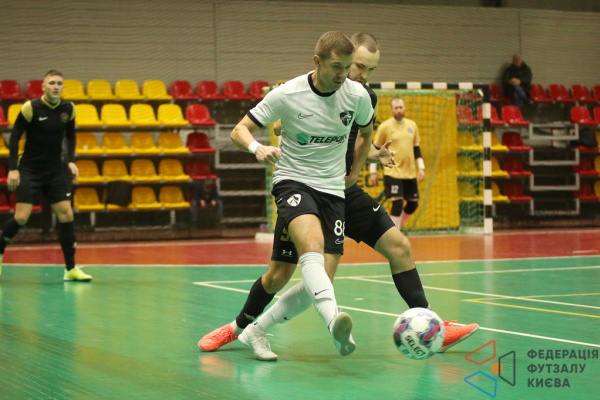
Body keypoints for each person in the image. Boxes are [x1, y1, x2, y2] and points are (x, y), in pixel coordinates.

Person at [199, 33, 479, 361]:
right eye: (358, 66)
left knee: (398, 247)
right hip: (300, 184)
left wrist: (367, 160)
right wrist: (270, 138)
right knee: (279, 275)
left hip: (341, 188)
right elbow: (277, 125)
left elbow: (360, 138)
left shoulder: (361, 96)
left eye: (369, 69)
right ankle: (239, 327)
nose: (360, 74)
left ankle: (433, 328)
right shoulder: (298, 91)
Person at [224, 31, 375, 357]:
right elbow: (239, 130)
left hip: (333, 189)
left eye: (347, 66)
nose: (343, 74)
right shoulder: (288, 93)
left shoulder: (358, 96)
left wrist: (355, 171)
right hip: (294, 182)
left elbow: (366, 131)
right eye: (336, 66)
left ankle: (255, 331)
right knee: (312, 247)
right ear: (317, 61)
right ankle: (333, 320)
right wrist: (256, 147)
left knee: (315, 280)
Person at [0, 70, 91, 282]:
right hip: (30, 170)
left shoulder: (69, 108)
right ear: (43, 86)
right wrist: (13, 168)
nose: (55, 87)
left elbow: (71, 135)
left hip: (54, 171)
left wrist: (70, 160)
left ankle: (71, 269)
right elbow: (14, 138)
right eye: (51, 83)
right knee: (21, 217)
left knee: (66, 214)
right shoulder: (30, 108)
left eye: (59, 83)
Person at [371, 97, 424, 230]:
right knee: (397, 202)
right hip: (392, 171)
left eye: (401, 107)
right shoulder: (385, 127)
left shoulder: (412, 125)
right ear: (391, 109)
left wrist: (421, 167)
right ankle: (395, 233)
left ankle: (397, 226)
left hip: (409, 173)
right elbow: (375, 149)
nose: (399, 110)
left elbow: (416, 148)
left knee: (413, 204)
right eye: (396, 108)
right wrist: (373, 171)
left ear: (404, 108)